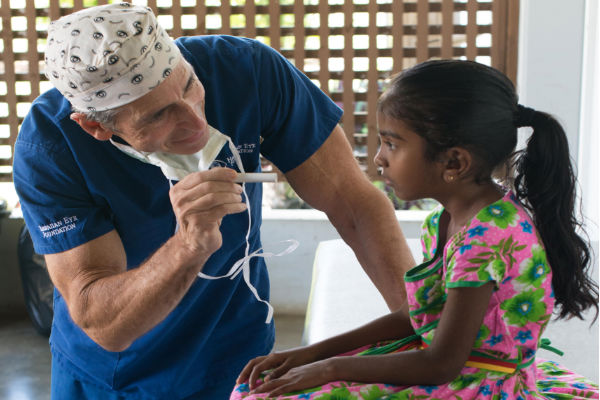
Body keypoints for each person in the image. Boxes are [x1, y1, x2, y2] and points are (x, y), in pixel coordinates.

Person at [12, 3, 415, 399]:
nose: (196, 124)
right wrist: (189, 245)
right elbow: (104, 323)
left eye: (189, 86)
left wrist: (423, 323)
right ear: (97, 126)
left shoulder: (247, 72)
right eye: (158, 116)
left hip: (236, 355)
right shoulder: (50, 146)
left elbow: (355, 205)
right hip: (116, 376)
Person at [232, 60, 600, 400]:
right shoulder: (443, 221)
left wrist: (329, 367)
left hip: (480, 385)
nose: (379, 158)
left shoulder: (488, 236)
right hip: (446, 366)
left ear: (454, 162)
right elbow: (417, 316)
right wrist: (309, 353)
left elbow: (442, 364)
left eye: (392, 143)